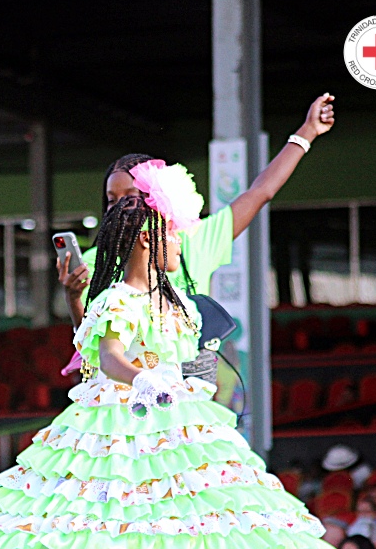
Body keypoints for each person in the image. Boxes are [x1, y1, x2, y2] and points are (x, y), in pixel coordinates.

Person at [0, 166, 336, 549]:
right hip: (118, 436)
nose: (180, 242)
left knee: (187, 546)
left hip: (178, 434)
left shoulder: (178, 303)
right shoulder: (116, 298)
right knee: (105, 545)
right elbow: (107, 357)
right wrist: (143, 379)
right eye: (173, 233)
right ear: (145, 239)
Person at [58, 94, 335, 382]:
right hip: (128, 402)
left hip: (186, 394)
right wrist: (74, 298)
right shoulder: (95, 262)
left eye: (132, 196)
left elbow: (260, 192)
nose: (120, 206)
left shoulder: (192, 240)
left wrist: (307, 132)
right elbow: (93, 347)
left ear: (158, 197)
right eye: (112, 199)